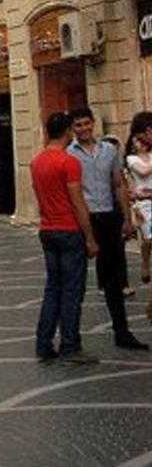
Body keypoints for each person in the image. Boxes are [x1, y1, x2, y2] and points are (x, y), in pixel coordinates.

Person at [67, 107, 146, 351]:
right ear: (72, 129)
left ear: (93, 124)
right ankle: (71, 339)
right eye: (78, 125)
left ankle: (122, 332)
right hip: (85, 219)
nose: (83, 129)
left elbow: (119, 184)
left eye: (86, 123)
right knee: (74, 280)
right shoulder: (69, 155)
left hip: (109, 217)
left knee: (114, 278)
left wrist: (126, 218)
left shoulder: (109, 150)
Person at [31, 111, 101, 363]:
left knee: (53, 288)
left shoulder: (37, 162)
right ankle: (70, 346)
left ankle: (43, 343)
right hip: (69, 230)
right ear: (67, 132)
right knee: (72, 291)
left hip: (47, 229)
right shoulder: (69, 162)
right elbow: (78, 202)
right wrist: (90, 238)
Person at [125, 112, 152, 289]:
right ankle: (144, 262)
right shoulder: (132, 159)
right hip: (143, 205)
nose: (140, 143)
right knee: (149, 237)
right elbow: (143, 171)